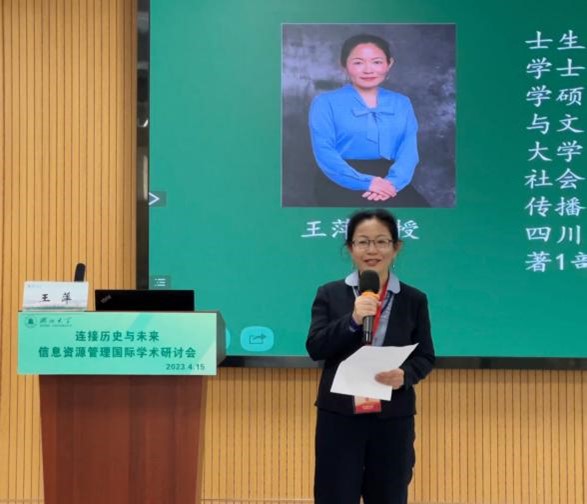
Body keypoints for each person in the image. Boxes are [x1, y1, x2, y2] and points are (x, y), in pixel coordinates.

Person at [306, 209, 435, 504]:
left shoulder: (414, 299)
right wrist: (352, 320)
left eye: (381, 241)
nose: (372, 250)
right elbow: (316, 347)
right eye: (363, 242)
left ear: (396, 247)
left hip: (392, 418)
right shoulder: (330, 294)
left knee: (389, 495)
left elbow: (426, 356)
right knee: (335, 495)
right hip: (340, 416)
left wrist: (406, 375)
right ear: (350, 248)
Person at [308, 34, 428, 207]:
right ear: (344, 65)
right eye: (358, 62)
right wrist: (366, 182)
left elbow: (408, 150)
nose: (368, 70)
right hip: (340, 177)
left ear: (389, 64)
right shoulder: (324, 102)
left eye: (377, 62)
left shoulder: (401, 102)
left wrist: (393, 183)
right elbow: (324, 151)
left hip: (390, 179)